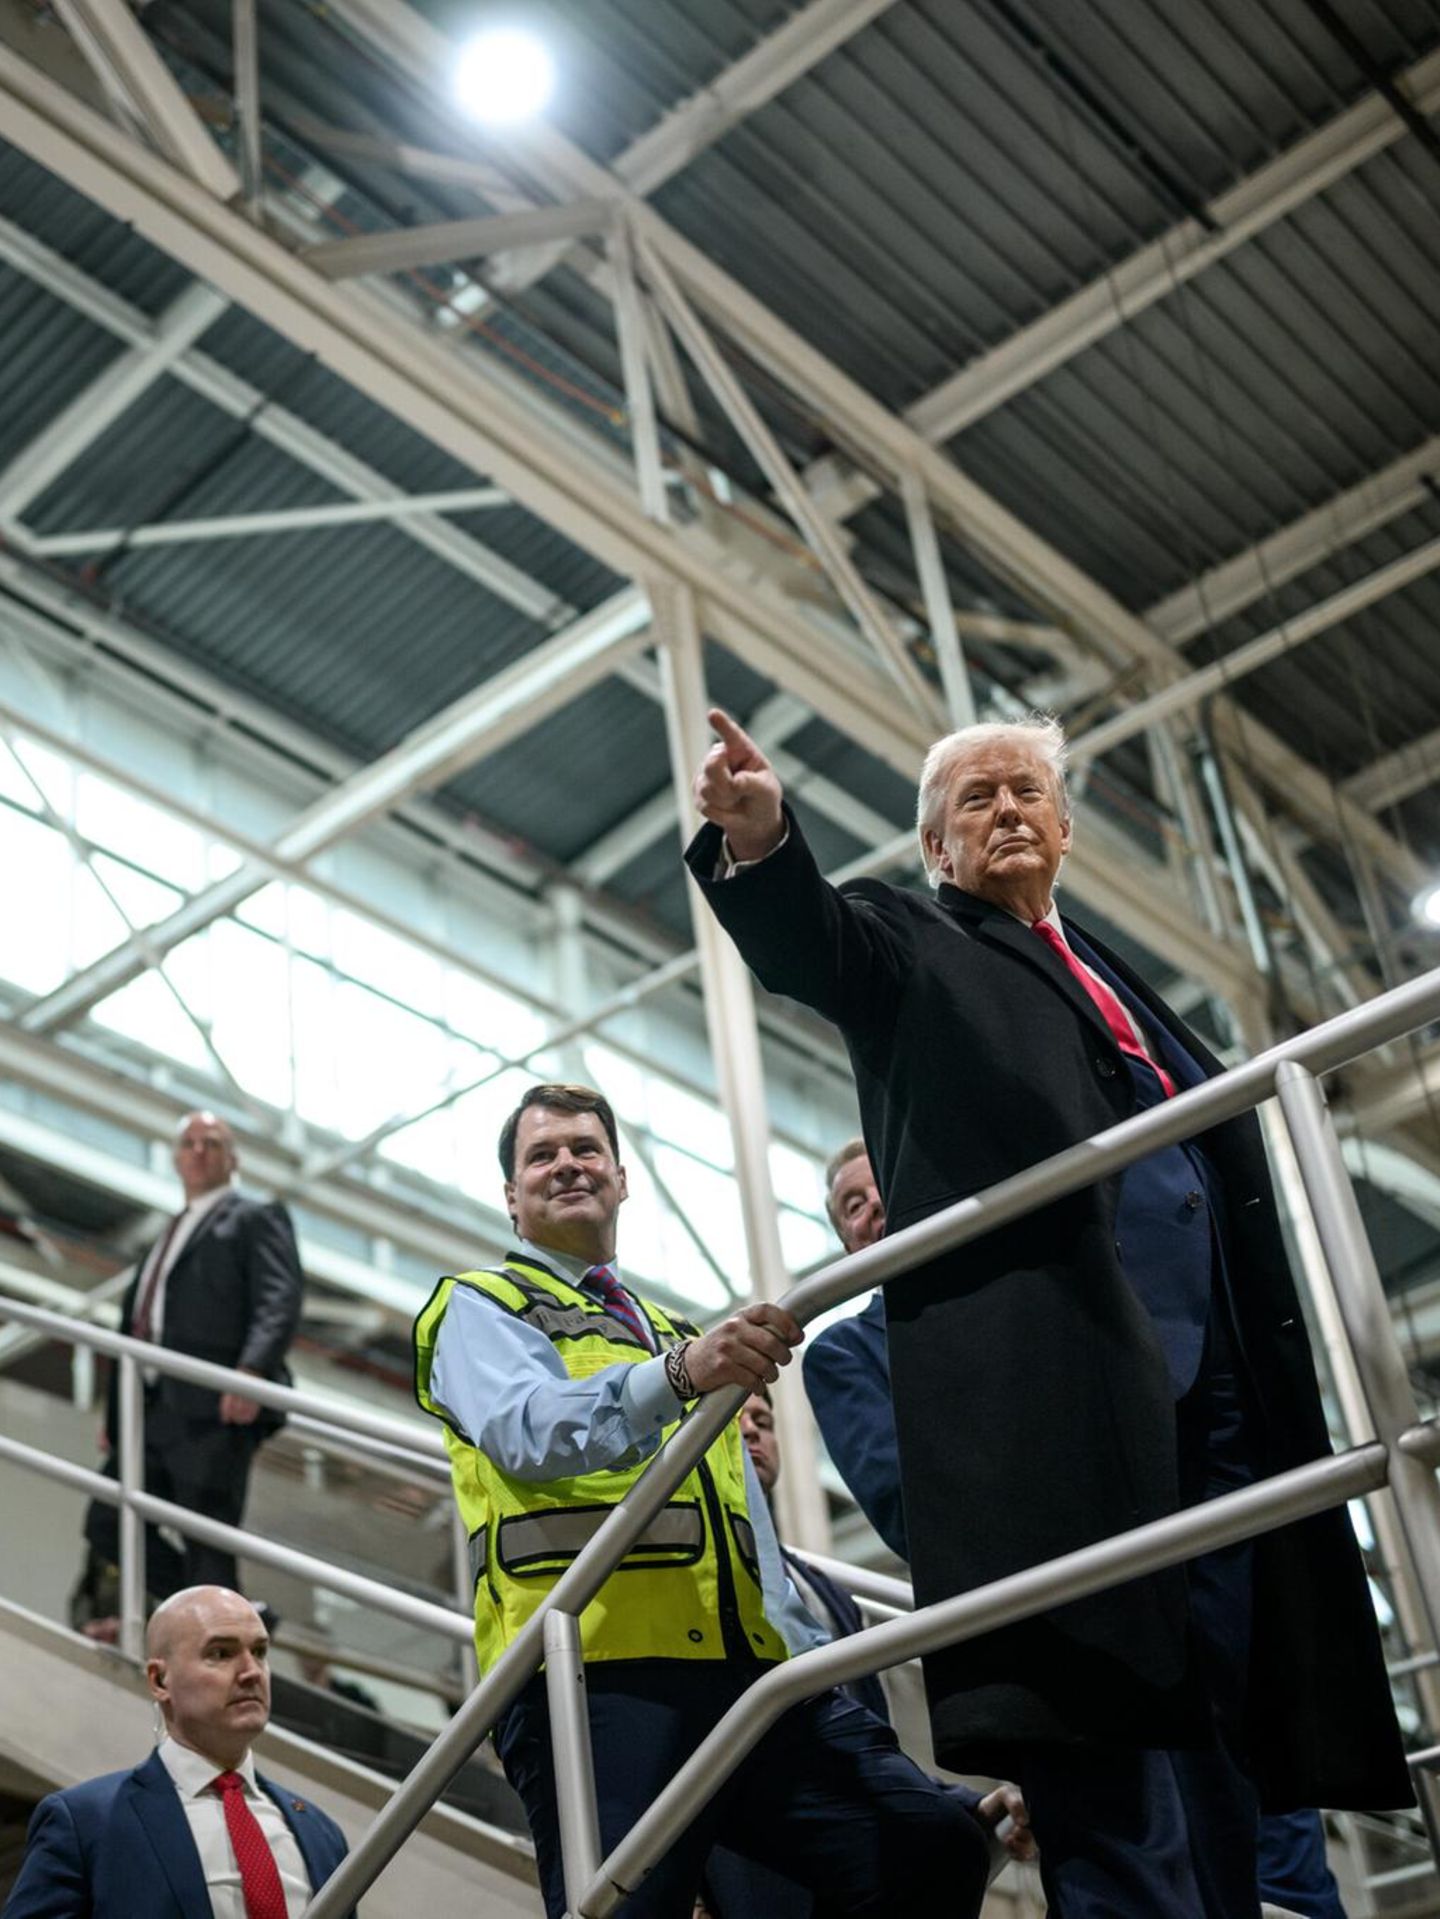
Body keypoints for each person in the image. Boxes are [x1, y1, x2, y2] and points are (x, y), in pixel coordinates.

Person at [687, 709, 1409, 1919]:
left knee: (1227, 1731)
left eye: (1027, 790)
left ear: (1067, 827)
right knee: (1111, 1754)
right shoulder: (912, 935)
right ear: (935, 845)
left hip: (1219, 1405)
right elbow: (816, 942)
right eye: (976, 798)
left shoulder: (1117, 978)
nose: (1008, 808)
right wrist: (762, 842)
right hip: (1064, 1401)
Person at [413, 1081, 1002, 1919]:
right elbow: (527, 1430)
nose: (567, 1164)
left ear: (621, 1178)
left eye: (586, 1149)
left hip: (749, 1677)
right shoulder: (479, 1305)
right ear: (512, 1199)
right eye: (541, 1155)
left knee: (929, 1841)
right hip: (598, 1677)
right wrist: (684, 1372)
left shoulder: (669, 1326)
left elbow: (745, 1524)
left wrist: (804, 1662)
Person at [807, 1141, 1349, 1919]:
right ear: (843, 1237)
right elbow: (904, 1506)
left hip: (1181, 1604)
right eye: (851, 1206)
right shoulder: (850, 1350)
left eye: (880, 1188)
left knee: (1265, 1858)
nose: (874, 1211)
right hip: (1054, 1634)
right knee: (1126, 1873)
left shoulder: (1037, 1289)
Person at [698, 1386, 1035, 1919]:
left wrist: (966, 1802)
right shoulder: (694, 1577)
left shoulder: (825, 1590)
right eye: (732, 1419)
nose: (749, 1432)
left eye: (762, 1420)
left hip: (857, 1858)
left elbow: (860, 1739)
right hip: (761, 1864)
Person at [4, 1585, 352, 1918]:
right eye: (221, 1653)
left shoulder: (321, 1833)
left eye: (259, 1652)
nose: (251, 1672)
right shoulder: (85, 1823)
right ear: (159, 1680)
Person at [82, 1111, 304, 1614]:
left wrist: (251, 1374)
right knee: (106, 1521)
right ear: (176, 1158)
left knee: (207, 1537)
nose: (199, 1150)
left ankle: (225, 1629)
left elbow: (279, 1299)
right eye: (189, 1143)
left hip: (214, 1408)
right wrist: (117, 1412)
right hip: (154, 1408)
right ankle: (233, 1618)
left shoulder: (255, 1216)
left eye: (212, 1142)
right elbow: (139, 1322)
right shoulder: (170, 1229)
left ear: (233, 1159)